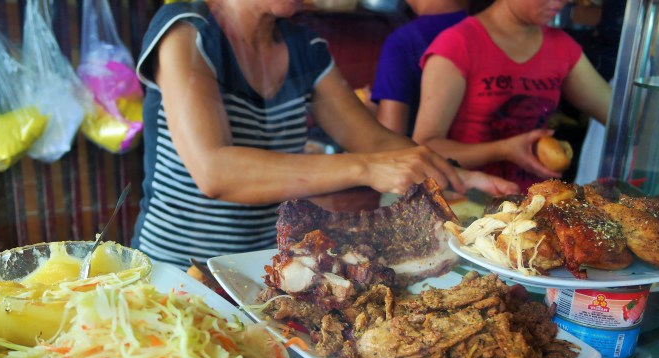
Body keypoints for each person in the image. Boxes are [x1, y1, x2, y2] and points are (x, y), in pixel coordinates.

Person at [131, 0, 518, 270]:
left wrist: (456, 176)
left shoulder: (307, 48)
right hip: (177, 269)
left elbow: (378, 142)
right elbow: (214, 172)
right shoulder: (186, 31)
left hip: (260, 268)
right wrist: (365, 168)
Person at [412, 0, 612, 191]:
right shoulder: (458, 44)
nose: (562, 1)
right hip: (472, 205)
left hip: (536, 204)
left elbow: (621, 116)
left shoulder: (562, 47)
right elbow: (426, 147)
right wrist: (505, 149)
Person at [371, 0, 468, 136]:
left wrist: (365, 111)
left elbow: (390, 136)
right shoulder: (483, 31)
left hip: (424, 154)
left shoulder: (402, 42)